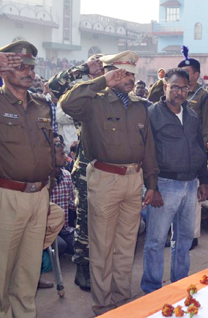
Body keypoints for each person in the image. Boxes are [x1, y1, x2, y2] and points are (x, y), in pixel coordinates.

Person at [60, 50, 158, 315]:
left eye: (132, 73)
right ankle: (103, 305)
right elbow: (67, 103)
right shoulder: (94, 101)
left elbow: (147, 147)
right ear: (111, 73)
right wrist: (103, 81)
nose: (129, 78)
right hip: (104, 179)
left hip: (133, 180)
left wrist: (151, 183)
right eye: (124, 73)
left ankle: (122, 300)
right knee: (102, 245)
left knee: (127, 245)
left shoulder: (139, 105)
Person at [0, 40, 54, 318]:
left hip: (40, 195)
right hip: (7, 196)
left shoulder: (42, 106)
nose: (28, 72)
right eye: (20, 66)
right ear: (4, 70)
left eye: (31, 66)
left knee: (29, 269)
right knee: (1, 269)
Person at [141, 68, 208, 293]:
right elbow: (146, 154)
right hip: (165, 184)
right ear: (165, 87)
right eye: (175, 87)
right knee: (156, 241)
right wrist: (153, 187)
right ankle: (152, 289)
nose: (179, 92)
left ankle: (179, 284)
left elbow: (199, 147)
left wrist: (204, 179)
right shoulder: (152, 114)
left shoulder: (191, 114)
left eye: (184, 88)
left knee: (184, 238)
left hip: (190, 185)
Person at [47, 53, 104, 291]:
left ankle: (102, 267)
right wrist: (82, 68)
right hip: (86, 165)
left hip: (112, 165)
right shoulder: (79, 89)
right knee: (86, 219)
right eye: (96, 63)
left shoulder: (112, 90)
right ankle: (82, 269)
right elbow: (53, 86)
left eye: (104, 64)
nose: (100, 67)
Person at [177, 46, 208, 248]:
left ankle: (191, 236)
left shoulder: (204, 96)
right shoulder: (178, 93)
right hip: (176, 151)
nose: (184, 75)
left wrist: (202, 153)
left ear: (197, 74)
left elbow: (205, 128)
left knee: (193, 195)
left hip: (194, 150)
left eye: (187, 72)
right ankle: (177, 234)